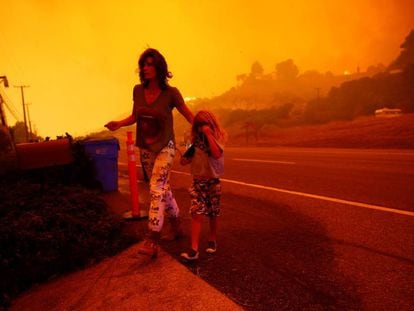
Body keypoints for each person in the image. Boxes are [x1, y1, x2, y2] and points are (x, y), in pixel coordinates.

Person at [105, 48, 193, 258]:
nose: (145, 68)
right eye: (143, 65)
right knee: (163, 188)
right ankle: (177, 226)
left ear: (159, 67)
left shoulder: (171, 93)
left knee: (156, 187)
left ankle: (151, 238)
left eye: (150, 64)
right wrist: (119, 123)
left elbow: (189, 115)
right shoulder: (137, 90)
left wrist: (206, 128)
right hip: (146, 147)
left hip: (166, 147)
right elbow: (136, 116)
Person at [179, 110, 226, 261]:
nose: (201, 128)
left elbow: (217, 154)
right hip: (198, 182)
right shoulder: (195, 142)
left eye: (204, 124)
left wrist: (209, 134)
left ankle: (212, 239)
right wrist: (185, 154)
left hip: (213, 181)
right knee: (196, 213)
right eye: (198, 125)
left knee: (213, 213)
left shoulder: (217, 137)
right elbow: (184, 161)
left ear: (211, 124)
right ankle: (194, 249)